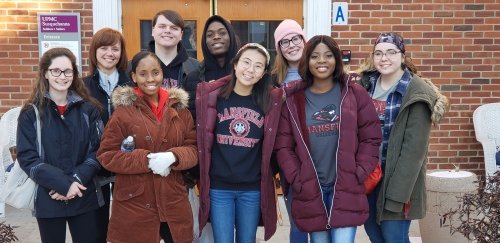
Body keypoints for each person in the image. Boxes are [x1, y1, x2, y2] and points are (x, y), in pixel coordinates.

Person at [274, 35, 382, 243]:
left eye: (328, 55)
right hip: (311, 189)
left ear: (337, 60)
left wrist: (358, 172)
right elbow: (284, 147)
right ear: (307, 61)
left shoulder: (354, 93)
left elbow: (371, 137)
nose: (321, 61)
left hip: (345, 186)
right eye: (315, 56)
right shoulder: (293, 99)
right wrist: (298, 178)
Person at [96, 51, 197, 243]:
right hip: (135, 204)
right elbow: (106, 155)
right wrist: (146, 160)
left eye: (155, 72)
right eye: (143, 74)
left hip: (173, 200)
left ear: (162, 74)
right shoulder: (123, 113)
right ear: (133, 76)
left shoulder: (180, 110)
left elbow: (193, 149)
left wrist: (173, 157)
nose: (150, 79)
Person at [358, 32, 449, 243]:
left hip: (397, 182)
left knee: (393, 237)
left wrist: (397, 196)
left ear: (402, 56)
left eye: (391, 52)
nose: (384, 58)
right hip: (368, 177)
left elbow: (414, 152)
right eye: (378, 53)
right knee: (374, 235)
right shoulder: (365, 86)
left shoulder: (417, 92)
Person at [196, 43, 282, 243]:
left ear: (263, 73)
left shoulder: (269, 102)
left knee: (247, 239)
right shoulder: (214, 98)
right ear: (235, 64)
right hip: (219, 187)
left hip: (251, 188)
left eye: (258, 66)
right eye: (246, 62)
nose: (250, 70)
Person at [16, 47, 103, 243]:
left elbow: (98, 151)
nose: (62, 76)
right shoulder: (31, 113)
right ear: (45, 73)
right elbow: (27, 157)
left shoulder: (89, 110)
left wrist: (74, 181)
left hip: (83, 193)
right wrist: (63, 185)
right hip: (48, 195)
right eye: (56, 71)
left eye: (68, 71)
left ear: (74, 74)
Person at [149, 10, 201, 241]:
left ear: (181, 34)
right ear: (153, 31)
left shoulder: (195, 69)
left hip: (180, 165)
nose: (167, 31)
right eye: (162, 26)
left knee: (178, 234)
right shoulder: (138, 65)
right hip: (146, 163)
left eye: (173, 28)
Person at [83, 27, 130, 243]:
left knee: (127, 224)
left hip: (126, 162)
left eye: (115, 48)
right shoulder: (82, 86)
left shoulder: (132, 83)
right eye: (104, 48)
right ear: (94, 51)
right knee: (96, 227)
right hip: (95, 163)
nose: (110, 53)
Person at [271, 18, 308, 243]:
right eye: (285, 42)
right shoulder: (274, 81)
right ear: (279, 49)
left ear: (304, 40)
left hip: (321, 156)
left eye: (295, 38)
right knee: (298, 221)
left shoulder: (319, 70)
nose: (291, 45)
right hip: (290, 158)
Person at [200, 15, 240, 82]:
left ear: (231, 37)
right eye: (210, 35)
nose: (216, 37)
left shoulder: (246, 73)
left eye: (222, 33)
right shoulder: (193, 78)